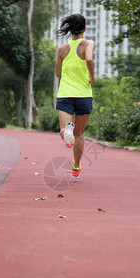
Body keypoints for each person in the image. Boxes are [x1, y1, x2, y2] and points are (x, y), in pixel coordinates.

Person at [55, 14, 96, 179]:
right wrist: (92, 76)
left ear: (70, 30)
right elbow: (89, 58)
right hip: (84, 95)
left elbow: (58, 73)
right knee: (79, 135)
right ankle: (76, 166)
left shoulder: (62, 49)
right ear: (84, 29)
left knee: (64, 131)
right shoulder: (88, 43)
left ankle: (66, 130)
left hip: (65, 94)